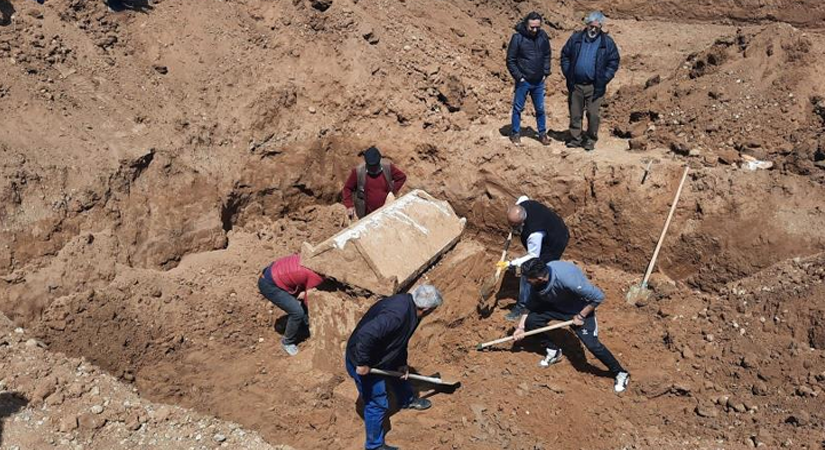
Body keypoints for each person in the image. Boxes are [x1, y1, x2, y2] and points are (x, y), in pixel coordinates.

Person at [345, 284, 443, 450]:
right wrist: (362, 363)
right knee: (377, 403)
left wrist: (401, 363)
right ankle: (374, 446)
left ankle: (407, 400)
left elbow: (400, 340)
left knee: (399, 375)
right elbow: (366, 335)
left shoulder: (412, 309)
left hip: (382, 353)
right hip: (365, 359)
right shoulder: (397, 315)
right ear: (426, 309)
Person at [513, 258, 630, 393]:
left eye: (528, 278)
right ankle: (553, 351)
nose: (526, 280)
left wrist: (581, 316)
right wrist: (520, 327)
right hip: (556, 305)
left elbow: (598, 297)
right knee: (532, 321)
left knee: (592, 345)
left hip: (579, 310)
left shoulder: (567, 280)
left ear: (539, 277)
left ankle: (620, 372)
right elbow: (530, 305)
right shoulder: (536, 283)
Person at [497, 196, 569, 321]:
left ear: (523, 222)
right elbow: (523, 196)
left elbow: (532, 256)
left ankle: (522, 306)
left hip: (555, 242)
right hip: (550, 228)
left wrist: (511, 263)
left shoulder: (533, 234)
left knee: (529, 272)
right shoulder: (522, 203)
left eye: (516, 226)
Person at [560, 11, 620, 152]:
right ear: (587, 25)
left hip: (595, 86)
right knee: (575, 113)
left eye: (597, 27)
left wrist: (605, 78)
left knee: (593, 114)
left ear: (601, 27)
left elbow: (613, 61)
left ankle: (590, 139)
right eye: (591, 26)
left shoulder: (607, 42)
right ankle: (575, 138)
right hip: (576, 84)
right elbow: (565, 55)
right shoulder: (576, 39)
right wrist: (568, 73)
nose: (593, 30)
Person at [257, 254, 324, 356]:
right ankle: (287, 342)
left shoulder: (312, 256)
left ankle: (304, 324)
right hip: (269, 285)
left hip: (274, 272)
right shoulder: (316, 275)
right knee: (297, 312)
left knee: (302, 300)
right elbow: (309, 301)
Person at [506, 12, 552, 147]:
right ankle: (515, 133)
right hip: (524, 81)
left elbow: (547, 54)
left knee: (540, 109)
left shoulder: (542, 36)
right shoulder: (517, 38)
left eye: (537, 27)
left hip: (538, 81)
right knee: (518, 108)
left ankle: (542, 134)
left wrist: (545, 72)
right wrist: (519, 77)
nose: (535, 30)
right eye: (532, 27)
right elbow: (510, 60)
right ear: (526, 25)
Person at [342, 146, 407, 220]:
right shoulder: (358, 172)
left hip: (385, 210)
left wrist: (392, 192)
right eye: (371, 166)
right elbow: (347, 188)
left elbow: (401, 177)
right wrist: (349, 205)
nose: (373, 169)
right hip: (365, 213)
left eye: (375, 166)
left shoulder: (387, 167)